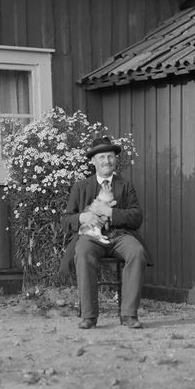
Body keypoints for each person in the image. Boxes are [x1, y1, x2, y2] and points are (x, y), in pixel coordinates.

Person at [61, 135, 149, 329]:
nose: (106, 161)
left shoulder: (125, 186)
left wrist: (111, 213)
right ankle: (89, 316)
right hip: (91, 237)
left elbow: (137, 217)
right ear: (93, 161)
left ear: (115, 159)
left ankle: (129, 314)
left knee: (137, 252)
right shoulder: (80, 187)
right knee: (83, 252)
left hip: (120, 235)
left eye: (110, 156)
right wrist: (83, 217)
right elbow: (66, 220)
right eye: (101, 157)